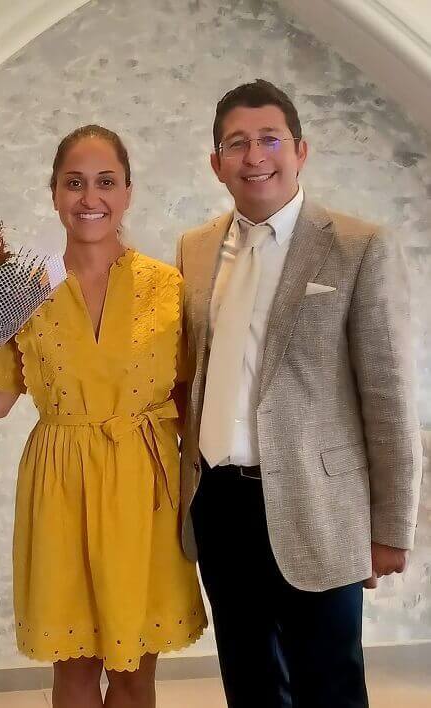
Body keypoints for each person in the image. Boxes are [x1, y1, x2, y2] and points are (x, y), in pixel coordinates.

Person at [176, 79, 422, 708]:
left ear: (300, 151)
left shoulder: (359, 246)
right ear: (217, 163)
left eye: (270, 139)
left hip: (320, 504)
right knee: (250, 682)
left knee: (329, 685)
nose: (254, 156)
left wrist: (392, 526)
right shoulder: (196, 250)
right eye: (237, 143)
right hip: (220, 504)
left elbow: (390, 399)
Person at [0, 125, 206, 708]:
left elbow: (191, 397)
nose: (90, 197)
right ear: (54, 193)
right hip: (60, 485)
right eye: (74, 183)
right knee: (73, 671)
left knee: (134, 674)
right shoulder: (20, 287)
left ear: (128, 191)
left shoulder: (169, 286)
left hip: (145, 485)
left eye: (106, 182)